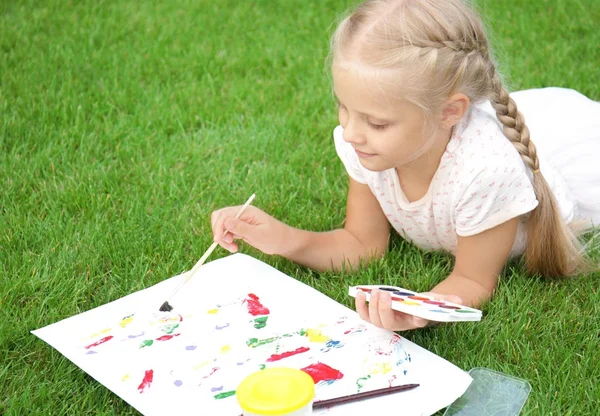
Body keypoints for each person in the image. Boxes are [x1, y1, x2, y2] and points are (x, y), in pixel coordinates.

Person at [211, 0, 600, 331]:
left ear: (449, 112)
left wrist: (419, 311)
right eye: (344, 107)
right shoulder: (371, 149)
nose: (349, 132)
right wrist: (284, 239)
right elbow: (363, 244)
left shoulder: (485, 173)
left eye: (376, 122)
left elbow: (473, 279)